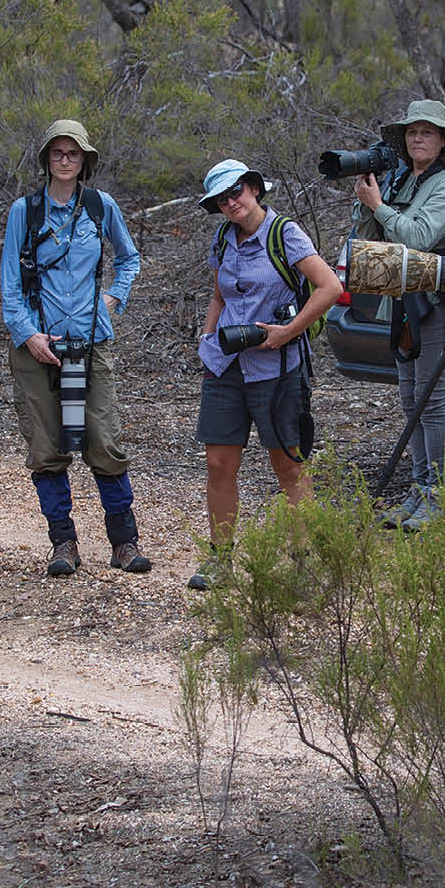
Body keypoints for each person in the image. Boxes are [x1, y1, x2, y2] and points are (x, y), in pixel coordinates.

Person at [0, 120, 148, 577]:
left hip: (92, 341)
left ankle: (124, 542)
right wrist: (28, 334)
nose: (65, 161)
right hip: (36, 346)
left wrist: (113, 298)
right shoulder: (23, 212)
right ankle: (62, 542)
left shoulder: (100, 207)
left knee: (103, 440)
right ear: (46, 159)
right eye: (57, 153)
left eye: (73, 154)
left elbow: (128, 257)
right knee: (46, 447)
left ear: (84, 161)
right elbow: (9, 285)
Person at [190, 158, 340, 589]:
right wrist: (207, 340)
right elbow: (218, 295)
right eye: (222, 198)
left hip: (277, 368)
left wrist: (288, 332)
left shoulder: (284, 234)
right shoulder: (224, 238)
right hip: (226, 364)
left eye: (236, 191)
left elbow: (329, 287)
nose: (231, 202)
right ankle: (220, 560)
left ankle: (304, 565)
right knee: (218, 464)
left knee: (288, 466)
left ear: (254, 189)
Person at [351, 99, 445, 529]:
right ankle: (420, 488)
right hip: (403, 300)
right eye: (412, 132)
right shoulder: (404, 179)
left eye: (427, 132)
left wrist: (379, 206)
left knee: (430, 402)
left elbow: (418, 238)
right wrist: (367, 200)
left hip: (435, 302)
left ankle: (438, 494)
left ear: (443, 141)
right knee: (409, 399)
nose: (417, 138)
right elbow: (370, 239)